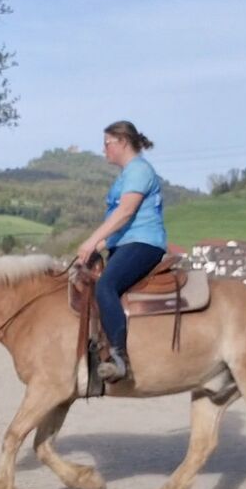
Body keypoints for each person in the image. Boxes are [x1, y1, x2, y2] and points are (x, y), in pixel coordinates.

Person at [76, 120, 167, 382]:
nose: (103, 150)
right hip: (126, 242)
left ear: (123, 142)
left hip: (144, 243)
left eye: (107, 144)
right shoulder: (127, 175)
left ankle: (119, 358)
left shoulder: (139, 171)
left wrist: (92, 241)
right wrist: (95, 249)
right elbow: (118, 226)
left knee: (106, 286)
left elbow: (125, 212)